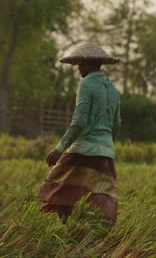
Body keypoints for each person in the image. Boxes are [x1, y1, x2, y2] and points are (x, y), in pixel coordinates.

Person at [38, 43, 121, 223]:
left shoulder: (86, 84)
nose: (78, 69)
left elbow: (79, 122)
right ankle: (90, 230)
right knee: (99, 192)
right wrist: (107, 144)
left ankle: (65, 225)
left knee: (54, 185)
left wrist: (59, 149)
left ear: (88, 64)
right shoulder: (113, 89)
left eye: (80, 64)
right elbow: (117, 124)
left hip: (84, 148)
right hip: (106, 151)